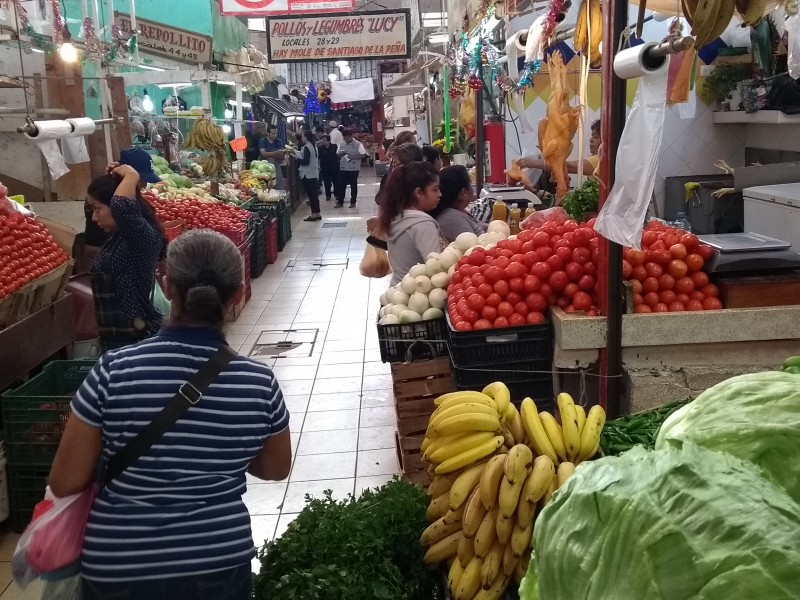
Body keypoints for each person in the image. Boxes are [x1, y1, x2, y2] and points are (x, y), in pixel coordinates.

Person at [48, 229, 292, 600]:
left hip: (120, 565)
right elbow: (275, 468)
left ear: (166, 285)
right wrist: (220, 451)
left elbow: (65, 481)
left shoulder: (114, 370)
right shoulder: (257, 383)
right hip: (217, 561)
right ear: (238, 294)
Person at [86, 164, 167, 351]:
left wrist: (131, 175)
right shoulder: (117, 238)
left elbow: (121, 206)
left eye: (97, 209)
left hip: (137, 342)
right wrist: (117, 180)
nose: (94, 218)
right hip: (116, 341)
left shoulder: (142, 237)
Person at [81, 147, 161, 273]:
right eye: (140, 180)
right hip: (95, 252)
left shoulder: (137, 220)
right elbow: (119, 206)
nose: (144, 186)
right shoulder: (115, 205)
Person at [378, 161, 447, 286]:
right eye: (435, 190)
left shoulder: (396, 216)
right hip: (417, 294)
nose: (440, 194)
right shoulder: (423, 224)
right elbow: (435, 268)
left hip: (397, 291)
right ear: (418, 193)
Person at [518, 119, 602, 178]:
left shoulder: (597, 160)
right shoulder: (596, 158)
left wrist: (533, 163)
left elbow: (568, 167)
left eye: (596, 136)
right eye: (592, 136)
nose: (591, 140)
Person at [430, 165, 485, 241]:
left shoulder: (458, 211)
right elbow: (471, 246)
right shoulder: (453, 219)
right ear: (464, 192)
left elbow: (479, 225)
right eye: (470, 185)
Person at [335, 129, 366, 208]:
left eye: (347, 138)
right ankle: (340, 202)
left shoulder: (358, 144)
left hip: (354, 168)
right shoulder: (341, 144)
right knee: (341, 185)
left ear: (351, 136)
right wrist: (341, 154)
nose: (345, 140)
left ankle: (353, 202)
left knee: (353, 185)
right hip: (343, 168)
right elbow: (337, 154)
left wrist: (352, 157)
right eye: (344, 138)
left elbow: (363, 155)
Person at [296, 130, 321, 222]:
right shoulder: (314, 146)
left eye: (302, 136)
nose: (302, 138)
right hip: (314, 173)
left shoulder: (307, 147)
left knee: (311, 196)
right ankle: (318, 213)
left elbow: (305, 162)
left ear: (306, 137)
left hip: (307, 174)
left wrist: (297, 158)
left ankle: (313, 215)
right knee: (315, 195)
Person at [258, 124, 287, 190]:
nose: (275, 135)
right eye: (273, 133)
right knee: (267, 187)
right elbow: (263, 154)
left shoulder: (279, 141)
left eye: (276, 133)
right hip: (264, 168)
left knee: (279, 186)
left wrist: (271, 154)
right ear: (268, 133)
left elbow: (281, 155)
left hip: (276, 166)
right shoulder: (263, 141)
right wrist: (276, 153)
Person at [318, 134, 339, 202]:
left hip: (334, 167)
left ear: (329, 141)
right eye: (322, 140)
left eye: (324, 140)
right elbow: (319, 157)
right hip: (325, 167)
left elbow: (337, 156)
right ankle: (328, 195)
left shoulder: (334, 146)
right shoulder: (320, 148)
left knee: (335, 182)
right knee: (327, 183)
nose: (323, 142)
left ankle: (337, 194)